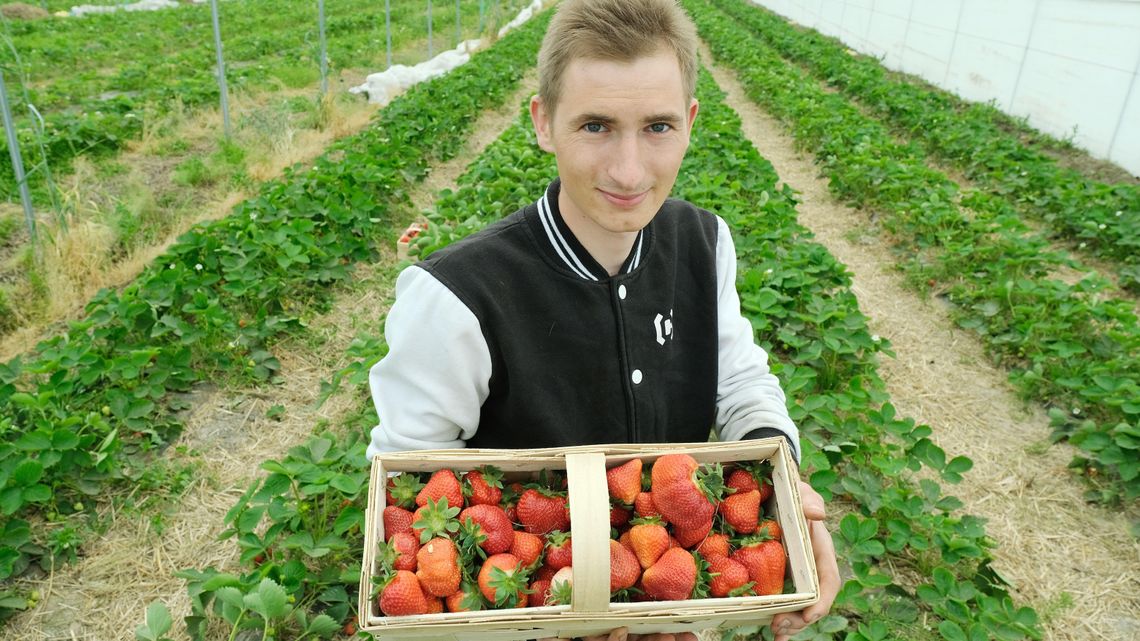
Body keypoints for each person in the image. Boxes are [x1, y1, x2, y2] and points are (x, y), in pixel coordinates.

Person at [366, 1, 839, 639]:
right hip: (531, 606)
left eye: (658, 127)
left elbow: (739, 378)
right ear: (543, 122)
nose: (628, 169)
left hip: (676, 592)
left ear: (691, 123)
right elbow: (410, 489)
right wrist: (545, 620)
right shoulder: (455, 296)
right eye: (595, 126)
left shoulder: (705, 242)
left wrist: (787, 495)